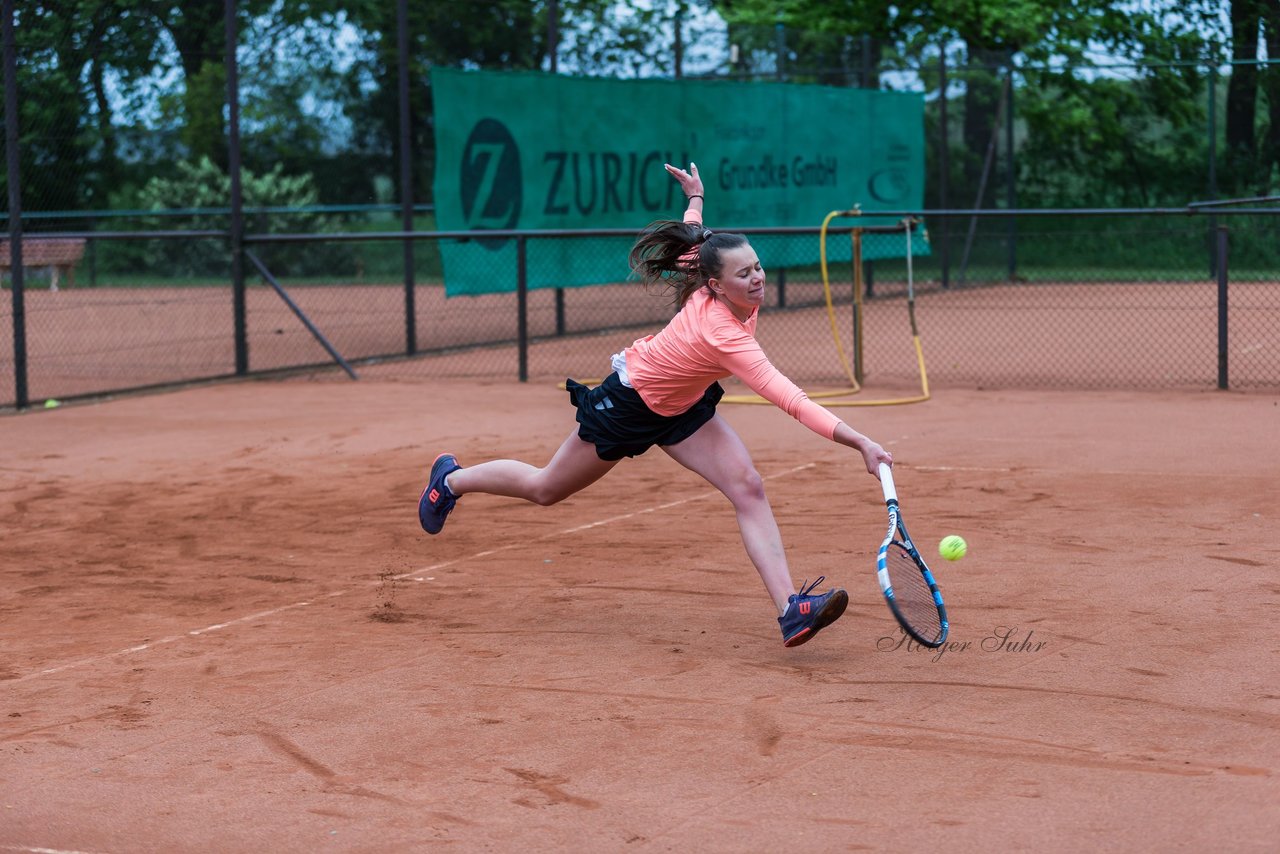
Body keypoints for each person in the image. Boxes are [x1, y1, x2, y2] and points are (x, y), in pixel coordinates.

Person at [419, 161, 893, 648]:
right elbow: (789, 398)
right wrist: (858, 440)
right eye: (744, 274)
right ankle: (450, 480)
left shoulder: (709, 272)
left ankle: (791, 610)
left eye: (757, 267)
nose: (757, 279)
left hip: (683, 406)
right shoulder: (724, 333)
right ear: (714, 284)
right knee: (545, 489)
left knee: (748, 487)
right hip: (630, 404)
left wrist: (696, 197)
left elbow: (693, 239)